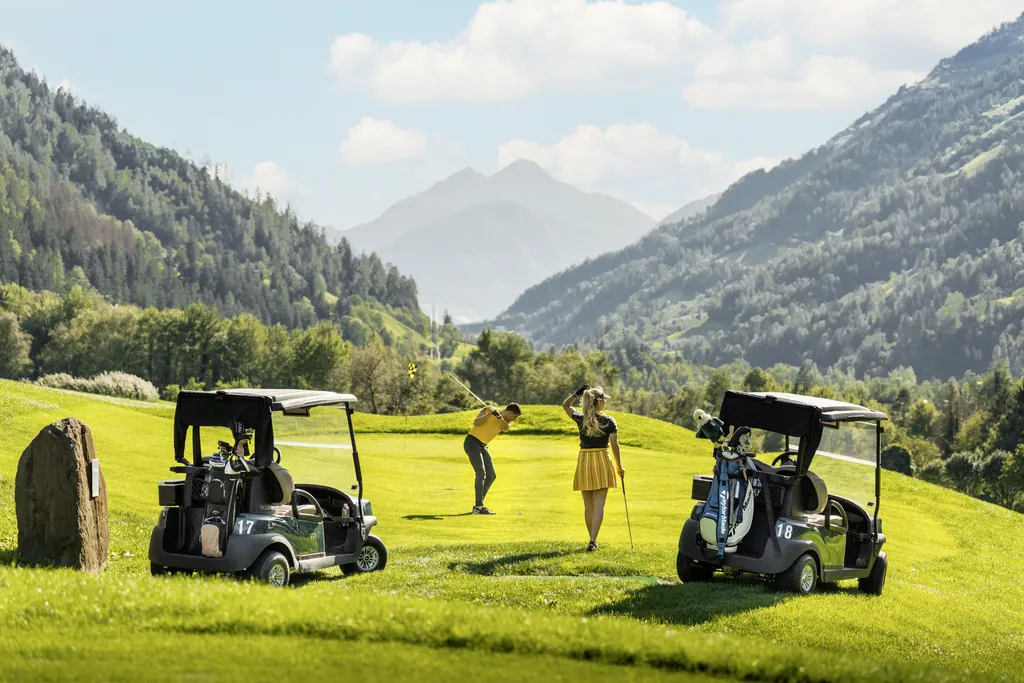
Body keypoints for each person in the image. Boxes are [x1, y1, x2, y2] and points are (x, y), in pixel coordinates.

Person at [561, 385, 624, 551]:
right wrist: (619, 467)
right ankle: (593, 539)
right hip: (602, 459)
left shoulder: (581, 418)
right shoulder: (609, 421)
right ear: (599, 401)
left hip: (585, 460)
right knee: (599, 504)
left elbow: (565, 405)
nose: (605, 402)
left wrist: (576, 393)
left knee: (588, 505)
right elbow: (614, 446)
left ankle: (592, 540)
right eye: (604, 399)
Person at [464, 402, 522, 515]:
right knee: (481, 472)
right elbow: (476, 423)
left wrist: (499, 417)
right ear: (510, 413)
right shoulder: (489, 410)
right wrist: (489, 414)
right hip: (472, 442)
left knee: (491, 475)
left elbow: (506, 428)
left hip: (483, 445)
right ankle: (479, 507)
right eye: (514, 417)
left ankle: (478, 505)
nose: (513, 420)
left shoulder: (504, 422)